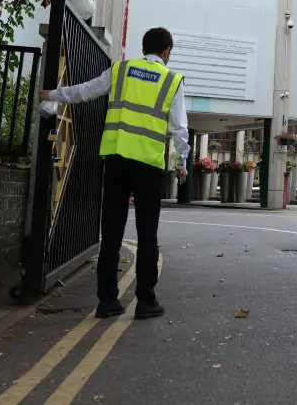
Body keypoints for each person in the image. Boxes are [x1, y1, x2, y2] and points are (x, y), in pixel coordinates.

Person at [40, 26, 189, 320]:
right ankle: (145, 301)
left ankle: (107, 301)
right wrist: (182, 162)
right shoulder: (171, 80)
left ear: (144, 48)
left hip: (117, 160)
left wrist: (52, 94)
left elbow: (85, 91)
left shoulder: (121, 69)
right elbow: (179, 128)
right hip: (148, 165)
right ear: (167, 51)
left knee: (111, 232)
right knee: (147, 234)